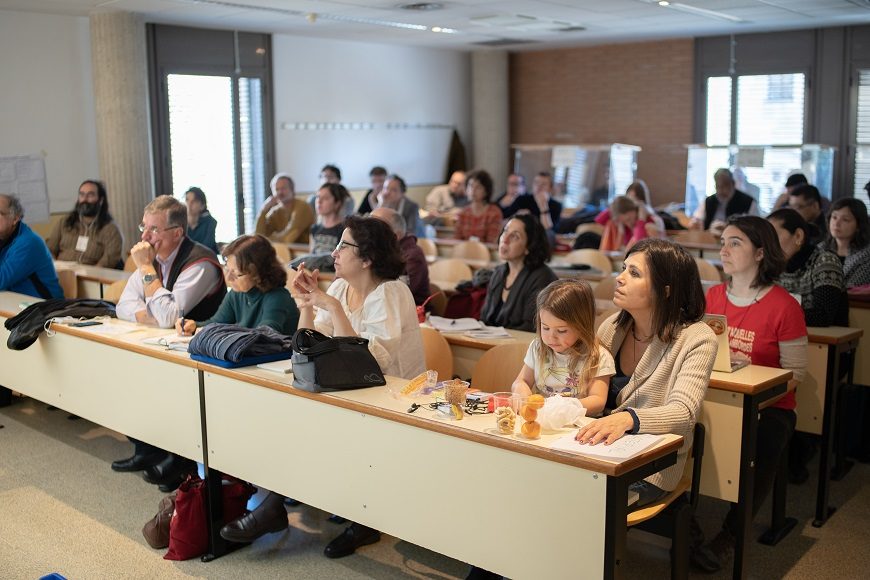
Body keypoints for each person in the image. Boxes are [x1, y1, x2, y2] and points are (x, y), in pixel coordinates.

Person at [293, 215, 425, 559]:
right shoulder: (338, 287)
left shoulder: (392, 292)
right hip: (351, 388)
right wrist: (308, 304)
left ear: (367, 258)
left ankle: (364, 519)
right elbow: (309, 344)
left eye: (343, 245)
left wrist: (333, 307)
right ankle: (330, 496)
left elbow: (370, 362)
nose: (334, 252)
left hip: (393, 397)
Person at [694, 216, 807, 572]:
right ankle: (685, 529)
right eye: (723, 241)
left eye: (735, 243)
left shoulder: (784, 305)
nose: (723, 250)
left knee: (765, 439)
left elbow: (796, 374)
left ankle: (731, 533)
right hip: (717, 397)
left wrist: (757, 400)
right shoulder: (713, 296)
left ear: (761, 252)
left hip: (770, 405)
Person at [175, 234, 299, 545]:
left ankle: (263, 495)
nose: (229, 277)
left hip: (276, 387)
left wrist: (217, 332)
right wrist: (195, 325)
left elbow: (262, 337)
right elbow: (218, 323)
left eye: (237, 272)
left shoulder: (277, 298)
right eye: (227, 269)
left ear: (260, 272)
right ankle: (230, 487)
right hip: (242, 378)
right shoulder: (236, 294)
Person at [575, 238, 717, 509]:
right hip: (598, 449)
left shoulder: (697, 338)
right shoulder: (612, 327)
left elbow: (683, 413)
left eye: (634, 273)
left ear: (664, 291)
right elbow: (587, 389)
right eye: (623, 268)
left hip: (650, 467)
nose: (620, 278)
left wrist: (628, 419)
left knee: (582, 504)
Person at [112, 195, 226, 486]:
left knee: (171, 395)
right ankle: (146, 449)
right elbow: (123, 306)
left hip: (201, 353)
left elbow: (168, 315)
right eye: (143, 228)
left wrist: (147, 271)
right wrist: (149, 315)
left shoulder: (200, 262)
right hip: (159, 344)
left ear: (177, 233)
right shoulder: (153, 257)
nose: (144, 237)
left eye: (153, 230)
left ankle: (182, 461)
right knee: (126, 378)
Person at [512, 279, 614, 415]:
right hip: (544, 420)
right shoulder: (538, 347)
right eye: (545, 327)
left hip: (579, 425)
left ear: (582, 326)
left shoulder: (597, 356)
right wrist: (520, 390)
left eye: (561, 331)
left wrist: (564, 407)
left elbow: (598, 401)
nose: (551, 337)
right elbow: (522, 380)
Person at [768, 208, 848, 327]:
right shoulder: (772, 264)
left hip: (824, 341)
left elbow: (823, 316)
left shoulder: (825, 261)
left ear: (798, 236)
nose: (768, 243)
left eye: (773, 236)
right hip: (786, 337)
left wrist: (773, 315)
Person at [479, 214, 557, 332]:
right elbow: (484, 318)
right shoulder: (499, 272)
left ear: (529, 246)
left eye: (514, 236)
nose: (505, 240)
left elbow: (531, 327)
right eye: (505, 232)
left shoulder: (542, 277)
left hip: (520, 347)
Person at [46, 179, 123, 267]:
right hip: (62, 273)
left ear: (101, 200)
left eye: (90, 195)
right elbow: (49, 250)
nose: (85, 199)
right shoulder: (64, 223)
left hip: (91, 277)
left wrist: (92, 275)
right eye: (82, 195)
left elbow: (110, 259)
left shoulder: (111, 230)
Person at [0, 194, 63, 299]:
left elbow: (1, 279)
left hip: (47, 308)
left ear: (15, 218)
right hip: (19, 304)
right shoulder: (4, 238)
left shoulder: (28, 242)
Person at [371, 206, 430, 306]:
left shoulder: (413, 256)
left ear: (395, 236)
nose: (368, 231)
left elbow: (399, 295)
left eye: (375, 227)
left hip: (412, 314)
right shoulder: (373, 250)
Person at [821, 197, 870, 289]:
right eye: (834, 217)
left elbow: (851, 289)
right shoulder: (820, 248)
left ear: (858, 225)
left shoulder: (866, 256)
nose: (837, 223)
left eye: (845, 219)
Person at [689, 168, 758, 231]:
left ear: (733, 184)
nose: (722, 190)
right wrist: (696, 222)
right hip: (710, 240)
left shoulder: (748, 202)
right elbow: (697, 219)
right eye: (718, 186)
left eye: (726, 185)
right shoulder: (708, 201)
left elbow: (755, 228)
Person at [255, 173, 315, 244]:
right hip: (284, 250)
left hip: (303, 251)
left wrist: (270, 238)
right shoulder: (275, 211)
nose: (280, 192)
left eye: (283, 188)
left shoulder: (302, 206)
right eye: (276, 189)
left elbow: (288, 237)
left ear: (292, 189)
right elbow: (258, 237)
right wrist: (263, 210)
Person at [454, 169, 503, 243]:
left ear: (486, 191)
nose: (473, 190)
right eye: (471, 186)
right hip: (464, 251)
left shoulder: (494, 213)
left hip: (486, 253)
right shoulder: (463, 213)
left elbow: (492, 241)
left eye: (478, 187)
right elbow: (456, 239)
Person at [310, 183, 350, 255]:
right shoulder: (314, 228)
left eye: (325, 198)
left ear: (337, 203)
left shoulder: (345, 230)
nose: (319, 201)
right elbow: (311, 255)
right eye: (318, 197)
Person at [184, 186, 218, 253]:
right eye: (187, 200)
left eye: (193, 201)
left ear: (202, 205)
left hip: (204, 259)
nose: (189, 204)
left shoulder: (210, 222)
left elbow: (207, 248)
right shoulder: (179, 223)